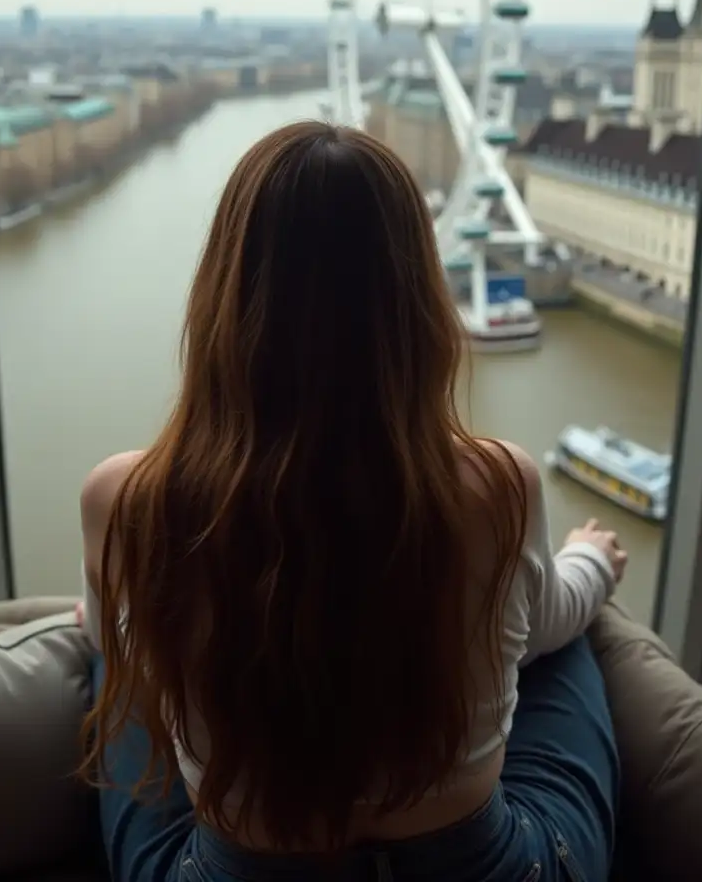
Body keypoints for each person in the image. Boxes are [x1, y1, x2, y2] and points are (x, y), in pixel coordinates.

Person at [79, 121, 626, 882]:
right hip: (478, 865)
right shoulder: (498, 485)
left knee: (115, 656)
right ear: (416, 300)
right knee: (568, 642)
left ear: (223, 294)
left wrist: (115, 616)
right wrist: (590, 565)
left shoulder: (128, 500)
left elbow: (131, 653)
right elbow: (540, 630)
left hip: (239, 866)